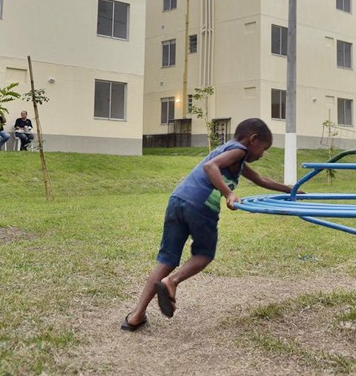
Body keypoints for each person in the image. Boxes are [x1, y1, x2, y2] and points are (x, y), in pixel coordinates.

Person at [121, 118, 295, 331]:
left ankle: (136, 316)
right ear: (253, 140)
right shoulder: (239, 151)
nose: (263, 154)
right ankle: (172, 282)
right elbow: (210, 167)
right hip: (200, 206)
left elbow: (261, 180)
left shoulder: (231, 154)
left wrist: (292, 191)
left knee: (166, 259)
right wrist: (228, 193)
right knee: (204, 254)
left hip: (178, 201)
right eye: (264, 148)